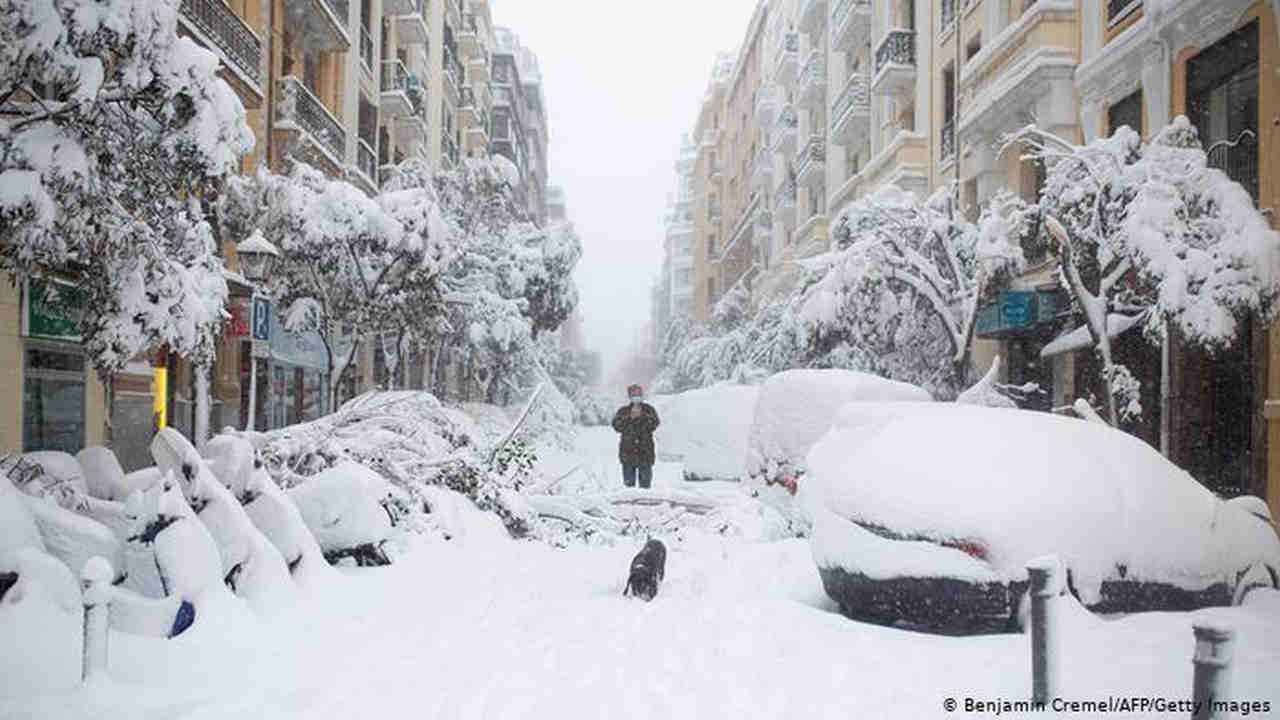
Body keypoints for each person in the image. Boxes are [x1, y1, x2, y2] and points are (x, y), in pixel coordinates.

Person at [612, 384, 660, 489]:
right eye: (634, 394)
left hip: (645, 453)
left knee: (645, 487)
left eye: (638, 394)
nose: (636, 396)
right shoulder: (623, 411)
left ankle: (645, 504)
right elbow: (616, 426)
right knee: (629, 487)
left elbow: (655, 423)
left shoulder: (649, 410)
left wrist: (642, 417)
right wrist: (629, 418)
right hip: (627, 453)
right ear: (630, 396)